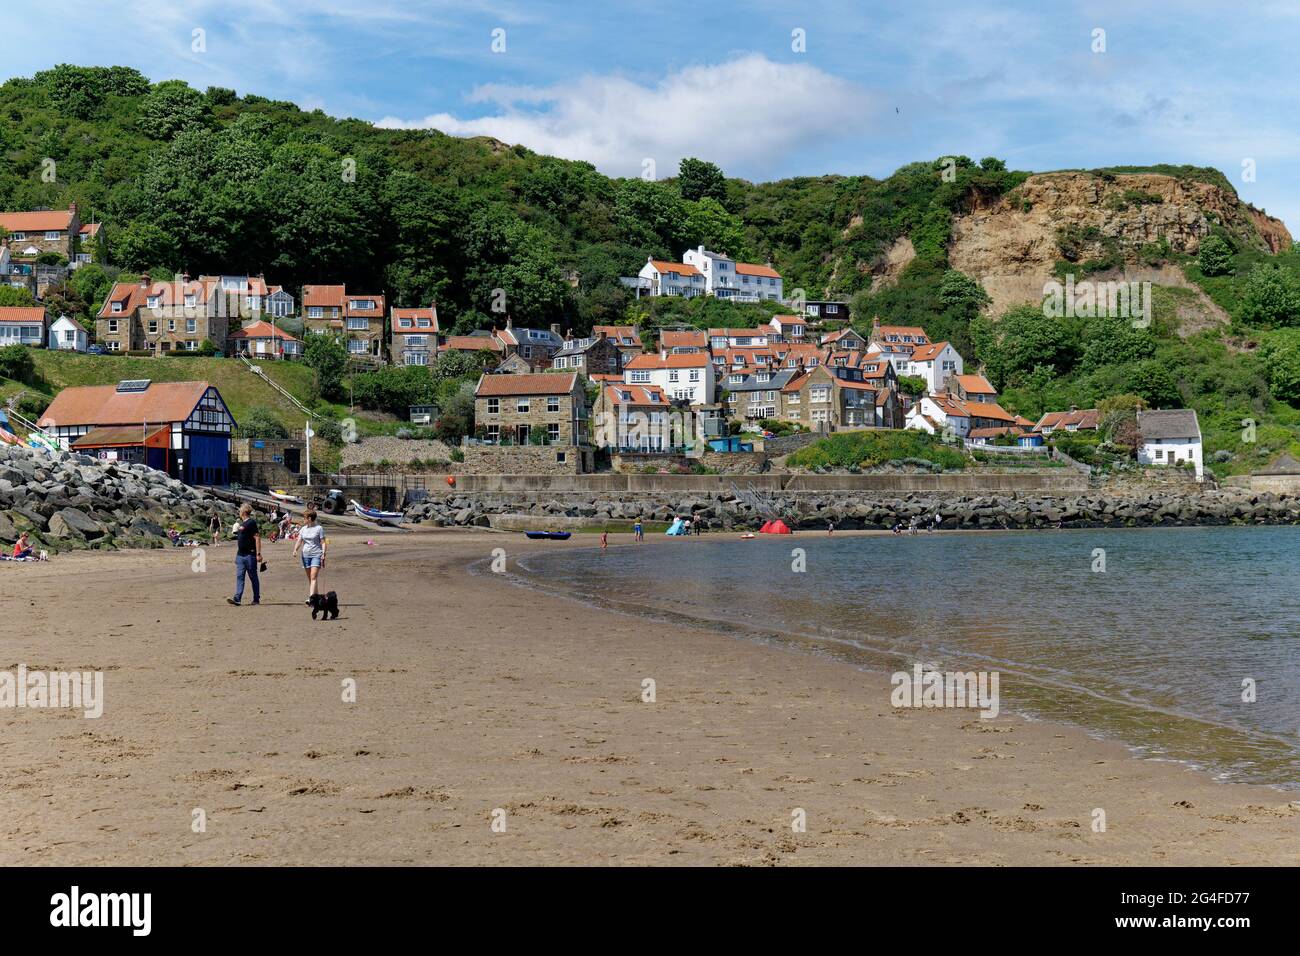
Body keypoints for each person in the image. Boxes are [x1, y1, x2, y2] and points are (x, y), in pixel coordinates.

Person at [227, 503, 263, 607]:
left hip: (250, 555)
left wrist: (258, 554)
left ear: (243, 512)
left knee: (253, 577)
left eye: (239, 510)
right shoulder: (241, 524)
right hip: (240, 555)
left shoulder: (251, 522)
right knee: (240, 577)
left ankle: (256, 599)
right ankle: (237, 598)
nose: (239, 512)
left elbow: (257, 538)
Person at [292, 507, 327, 604]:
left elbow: (323, 542)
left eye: (304, 518)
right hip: (305, 555)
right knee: (311, 579)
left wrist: (323, 554)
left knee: (313, 577)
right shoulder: (303, 529)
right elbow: (299, 540)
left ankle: (311, 599)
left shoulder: (319, 528)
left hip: (316, 554)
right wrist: (295, 549)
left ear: (310, 519)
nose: (303, 520)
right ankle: (317, 597)